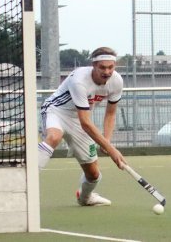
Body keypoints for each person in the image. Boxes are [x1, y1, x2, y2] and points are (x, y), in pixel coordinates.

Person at [37, 47, 127, 206]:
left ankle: (85, 198)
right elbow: (86, 122)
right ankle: (27, 179)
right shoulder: (79, 79)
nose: (107, 71)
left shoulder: (117, 81)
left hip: (79, 121)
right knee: (54, 137)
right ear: (94, 65)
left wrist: (107, 140)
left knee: (93, 174)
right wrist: (111, 149)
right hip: (56, 111)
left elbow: (111, 113)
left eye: (110, 67)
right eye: (102, 67)